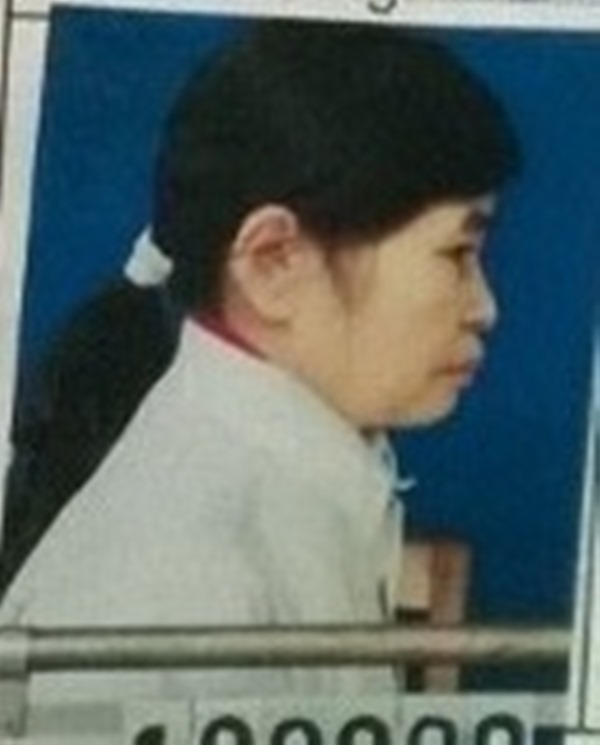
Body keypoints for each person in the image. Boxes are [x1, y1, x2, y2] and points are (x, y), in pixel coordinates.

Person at [0, 20, 520, 707]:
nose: (485, 307)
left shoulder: (293, 481)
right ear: (274, 262)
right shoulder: (183, 579)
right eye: (457, 253)